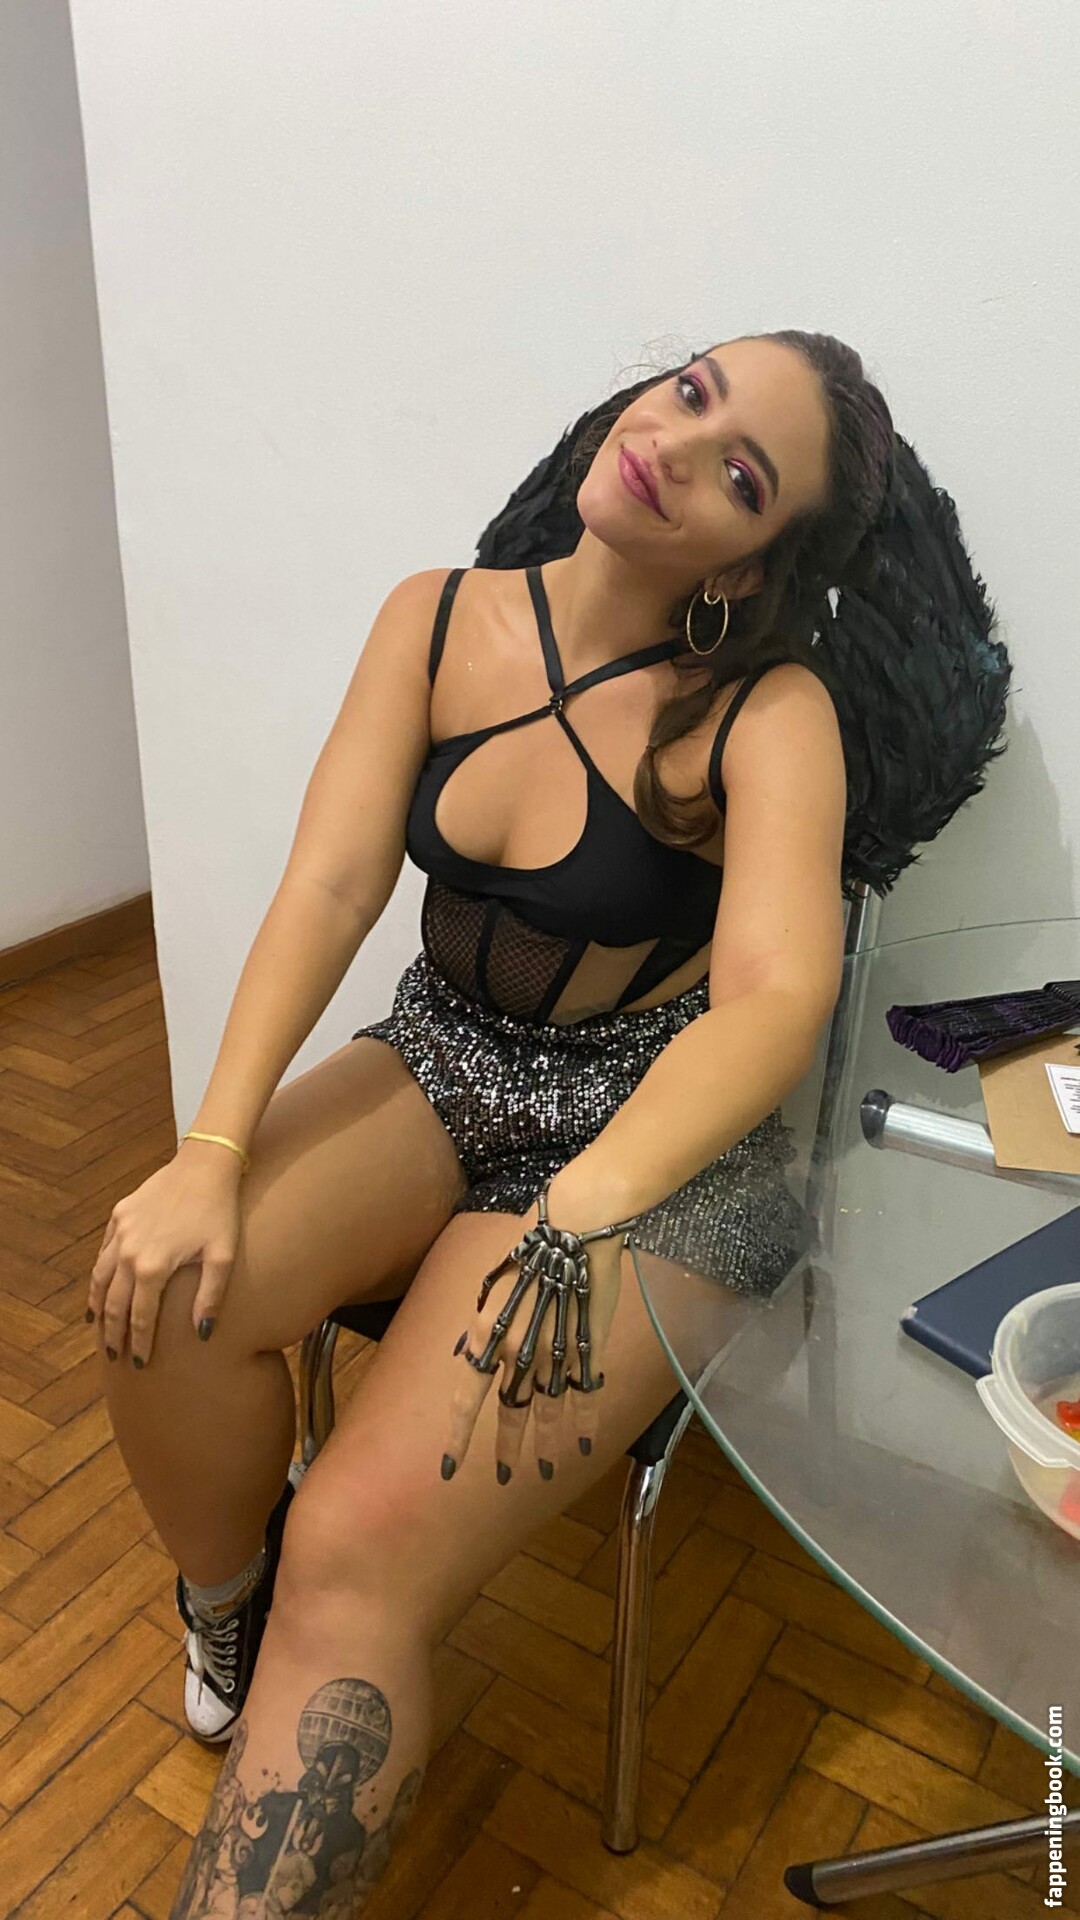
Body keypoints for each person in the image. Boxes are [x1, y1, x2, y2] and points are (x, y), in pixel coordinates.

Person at [87, 330, 956, 1917]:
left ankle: (310, 1605)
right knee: (161, 1298)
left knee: (358, 1546)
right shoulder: (432, 617)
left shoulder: (768, 710)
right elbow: (331, 884)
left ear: (749, 561)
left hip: (663, 1142)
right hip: (450, 1052)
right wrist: (208, 1152)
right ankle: (231, 1610)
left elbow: (775, 1001)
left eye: (740, 471)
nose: (678, 444)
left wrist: (590, 1196)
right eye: (691, 390)